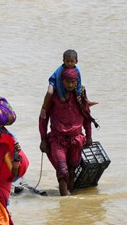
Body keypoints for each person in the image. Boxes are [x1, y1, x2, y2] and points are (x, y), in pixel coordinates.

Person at [39, 67, 96, 196]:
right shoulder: (54, 96)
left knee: (72, 167)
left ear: (77, 82)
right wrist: (43, 139)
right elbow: (43, 117)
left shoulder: (80, 94)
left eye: (73, 82)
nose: (70, 85)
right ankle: (64, 202)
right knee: (62, 169)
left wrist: (89, 135)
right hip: (57, 138)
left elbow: (86, 115)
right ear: (62, 81)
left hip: (76, 139)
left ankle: (70, 199)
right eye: (67, 82)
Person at [40, 49, 82, 120]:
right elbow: (58, 83)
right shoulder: (60, 70)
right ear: (63, 61)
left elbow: (79, 81)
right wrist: (61, 96)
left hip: (67, 81)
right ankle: (44, 107)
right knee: (49, 92)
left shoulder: (77, 70)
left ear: (76, 61)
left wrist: (78, 93)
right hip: (54, 81)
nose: (69, 64)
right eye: (67, 61)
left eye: (72, 61)